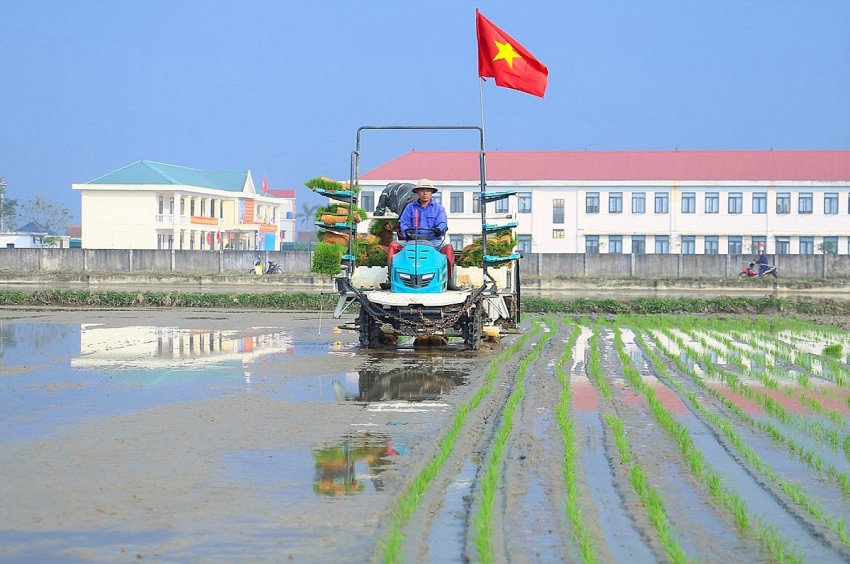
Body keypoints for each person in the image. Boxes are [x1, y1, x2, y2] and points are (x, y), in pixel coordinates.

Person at [382, 178, 460, 291]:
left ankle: (449, 280)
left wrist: (439, 229)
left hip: (434, 241)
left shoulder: (439, 209)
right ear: (417, 192)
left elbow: (442, 223)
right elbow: (403, 223)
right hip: (411, 241)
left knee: (448, 248)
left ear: (432, 192)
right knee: (393, 246)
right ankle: (391, 278)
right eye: (422, 190)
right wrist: (407, 231)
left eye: (427, 190)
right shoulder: (410, 208)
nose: (425, 193)